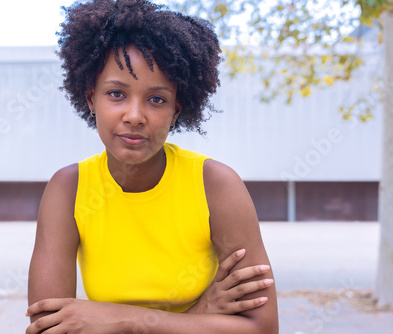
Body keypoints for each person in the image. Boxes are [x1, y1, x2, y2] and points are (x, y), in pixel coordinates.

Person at [26, 0, 279, 333]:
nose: (134, 116)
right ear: (91, 98)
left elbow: (263, 329)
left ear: (176, 110)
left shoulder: (215, 185)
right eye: (116, 94)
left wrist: (121, 319)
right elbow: (49, 328)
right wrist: (201, 313)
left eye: (157, 99)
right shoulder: (69, 190)